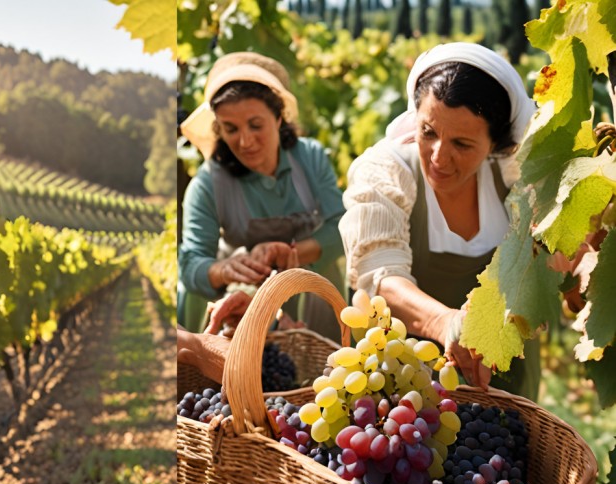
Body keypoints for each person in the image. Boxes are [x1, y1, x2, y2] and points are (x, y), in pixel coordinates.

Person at [338, 42, 540, 400]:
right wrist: (444, 322)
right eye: (428, 132)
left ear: (495, 144)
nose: (439, 157)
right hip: (406, 384)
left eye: (462, 144)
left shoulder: (516, 176)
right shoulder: (387, 172)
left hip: (503, 376)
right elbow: (380, 277)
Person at [178, 51, 346, 340]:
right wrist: (222, 270)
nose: (245, 141)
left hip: (312, 298)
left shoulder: (310, 158)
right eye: (230, 129)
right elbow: (191, 263)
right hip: (242, 308)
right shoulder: (208, 183)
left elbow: (341, 228)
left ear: (279, 117)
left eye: (256, 125)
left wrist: (293, 253)